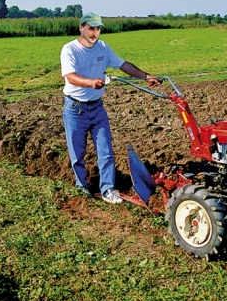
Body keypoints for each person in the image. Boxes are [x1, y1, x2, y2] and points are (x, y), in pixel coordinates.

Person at [60, 12, 161, 204]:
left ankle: (107, 189)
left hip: (97, 107)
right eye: (90, 28)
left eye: (97, 29)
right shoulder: (69, 49)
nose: (94, 32)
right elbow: (70, 77)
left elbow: (123, 65)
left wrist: (146, 76)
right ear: (81, 28)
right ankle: (82, 187)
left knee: (106, 150)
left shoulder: (103, 48)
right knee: (77, 153)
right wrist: (90, 82)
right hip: (75, 109)